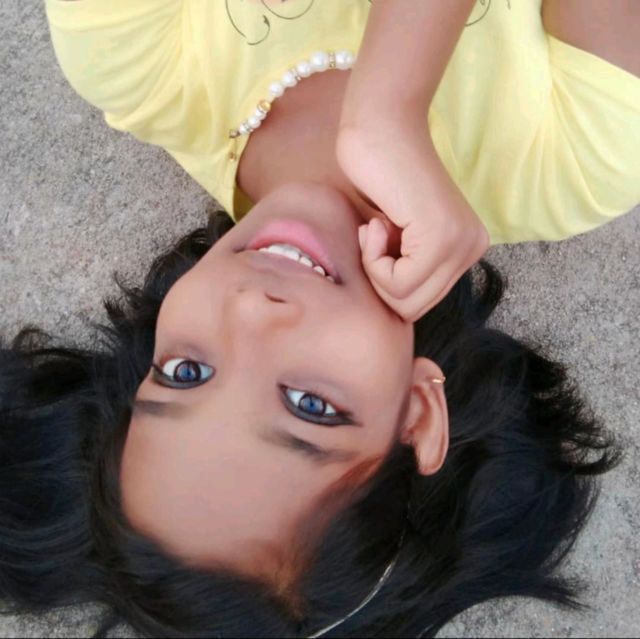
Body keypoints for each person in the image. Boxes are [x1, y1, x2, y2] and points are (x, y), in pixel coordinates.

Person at [0, 0, 637, 637]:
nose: (252, 313)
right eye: (310, 405)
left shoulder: (134, 66)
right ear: (418, 414)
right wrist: (384, 112)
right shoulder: (575, 160)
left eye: (186, 372)